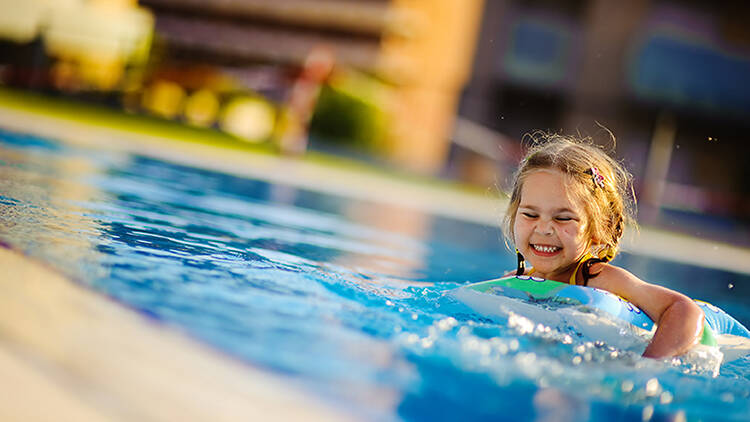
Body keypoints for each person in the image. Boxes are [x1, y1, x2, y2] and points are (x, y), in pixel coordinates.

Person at [503, 133, 704, 358]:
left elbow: (683, 309)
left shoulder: (603, 280)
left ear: (601, 228)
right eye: (530, 214)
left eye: (563, 218)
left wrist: (647, 367)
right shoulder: (514, 281)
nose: (544, 229)